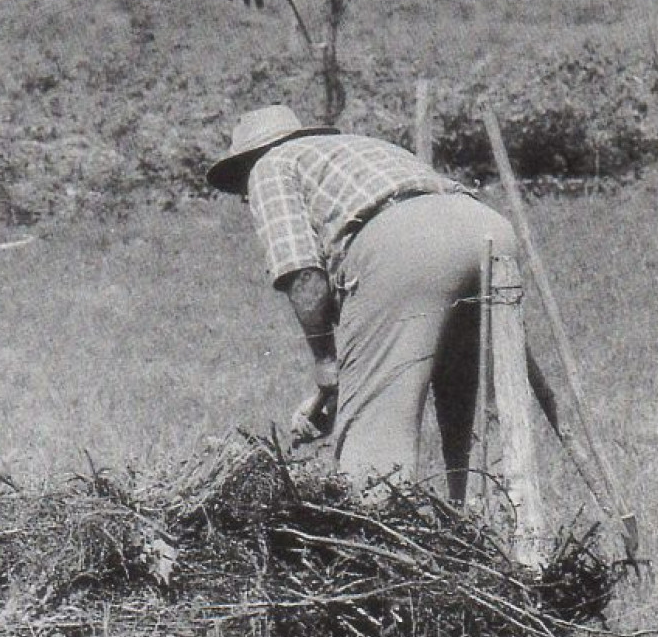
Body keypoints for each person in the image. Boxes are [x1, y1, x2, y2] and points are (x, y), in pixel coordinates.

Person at [206, 104, 519, 498]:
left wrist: (325, 362)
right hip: (485, 226)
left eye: (241, 191)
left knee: (375, 436)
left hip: (404, 246)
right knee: (470, 407)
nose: (245, 199)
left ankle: (377, 545)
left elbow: (303, 274)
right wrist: (332, 393)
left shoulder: (268, 167)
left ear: (247, 163)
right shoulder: (357, 149)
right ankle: (495, 532)